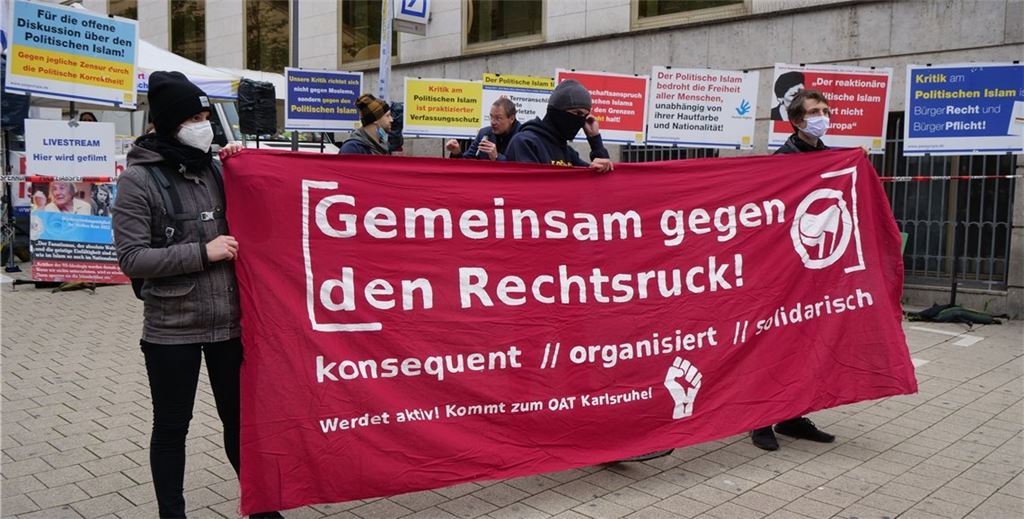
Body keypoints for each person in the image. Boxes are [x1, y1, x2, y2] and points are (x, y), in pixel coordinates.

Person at [111, 71, 282, 518]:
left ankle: (262, 508)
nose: (203, 124)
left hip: (229, 321)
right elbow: (131, 258)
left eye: (206, 115)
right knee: (172, 426)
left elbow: (261, 219)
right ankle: (173, 512)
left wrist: (246, 168)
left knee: (240, 422)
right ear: (169, 122)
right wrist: (201, 253)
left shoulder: (216, 168)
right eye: (194, 116)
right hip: (172, 327)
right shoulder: (138, 180)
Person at [751, 88, 836, 452]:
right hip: (780, 272)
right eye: (815, 111)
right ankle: (759, 420)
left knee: (806, 345)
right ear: (798, 121)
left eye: (826, 109)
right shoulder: (781, 162)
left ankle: (792, 414)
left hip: (814, 271)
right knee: (773, 345)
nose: (823, 116)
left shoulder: (832, 160)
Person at [505, 79, 614, 173]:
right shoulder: (525, 142)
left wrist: (594, 139)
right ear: (558, 111)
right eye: (577, 113)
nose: (580, 120)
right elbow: (532, 187)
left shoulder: (569, 153)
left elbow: (601, 177)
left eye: (585, 115)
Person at [445, 98, 521, 160]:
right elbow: (467, 163)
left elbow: (522, 169)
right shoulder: (484, 133)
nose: (493, 122)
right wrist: (457, 153)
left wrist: (497, 157)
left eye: (498, 118)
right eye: (491, 117)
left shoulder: (521, 137)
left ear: (511, 118)